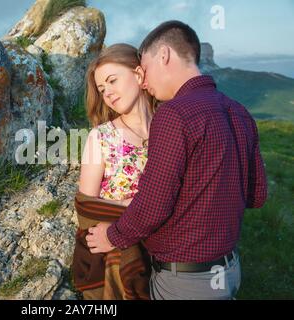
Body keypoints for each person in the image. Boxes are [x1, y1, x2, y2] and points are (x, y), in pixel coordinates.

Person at [86, 21, 268, 300]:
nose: (144, 80)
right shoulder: (240, 111)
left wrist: (112, 236)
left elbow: (154, 205)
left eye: (144, 69)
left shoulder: (175, 115)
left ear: (165, 56)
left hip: (187, 280)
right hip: (229, 270)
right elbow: (257, 196)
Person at [72, 43, 156, 300]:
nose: (107, 92)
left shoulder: (170, 128)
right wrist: (131, 209)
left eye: (112, 81)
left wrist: (128, 205)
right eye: (101, 88)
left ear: (139, 74)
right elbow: (87, 209)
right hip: (120, 260)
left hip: (168, 254)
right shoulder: (101, 137)